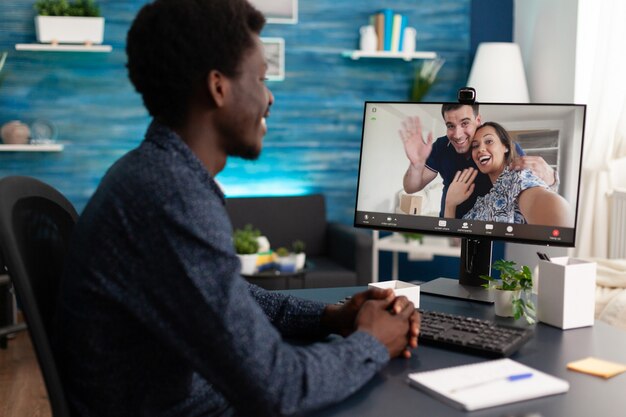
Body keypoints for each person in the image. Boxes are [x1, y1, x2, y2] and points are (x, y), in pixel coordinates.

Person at [53, 1, 420, 416]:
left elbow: (230, 299)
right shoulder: (170, 195)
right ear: (218, 87)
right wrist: (371, 343)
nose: (270, 98)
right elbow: (278, 388)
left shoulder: (155, 174)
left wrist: (332, 318)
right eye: (261, 78)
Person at [400, 103, 558, 218]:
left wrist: (551, 180)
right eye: (450, 126)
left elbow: (531, 187)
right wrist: (416, 165)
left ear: (478, 120)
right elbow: (410, 188)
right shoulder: (441, 146)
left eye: (465, 123)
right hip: (450, 225)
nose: (457, 134)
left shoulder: (509, 151)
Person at [444, 122, 573, 226]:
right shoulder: (483, 201)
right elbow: (457, 242)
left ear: (505, 146)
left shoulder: (517, 178)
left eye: (489, 141)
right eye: (475, 146)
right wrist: (450, 203)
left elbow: (552, 208)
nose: (480, 149)